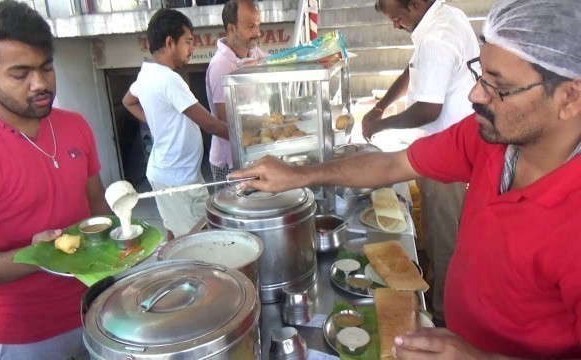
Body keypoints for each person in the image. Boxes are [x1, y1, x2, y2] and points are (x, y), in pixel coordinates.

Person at [232, 0, 581, 358]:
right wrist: (299, 176)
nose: (475, 95)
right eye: (481, 74)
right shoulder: (490, 140)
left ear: (570, 97)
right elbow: (392, 165)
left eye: (500, 86)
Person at [0, 1, 110, 358]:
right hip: (27, 336)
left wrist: (127, 244)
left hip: (98, 308)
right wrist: (39, 256)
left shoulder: (74, 126)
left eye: (46, 68)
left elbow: (97, 208)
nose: (40, 84)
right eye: (20, 74)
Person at [361, 0, 479, 324]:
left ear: (414, 4)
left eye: (397, 18)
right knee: (438, 233)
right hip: (450, 148)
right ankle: (435, 285)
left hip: (448, 158)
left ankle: (444, 318)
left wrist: (380, 125)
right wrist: (379, 107)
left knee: (445, 240)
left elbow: (429, 109)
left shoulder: (436, 38)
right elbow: (413, 70)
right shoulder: (446, 15)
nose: (395, 26)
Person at [122, 9, 229, 239]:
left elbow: (128, 101)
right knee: (199, 241)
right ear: (170, 42)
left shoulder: (147, 74)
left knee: (175, 231)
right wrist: (246, 137)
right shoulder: (169, 79)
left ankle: (173, 269)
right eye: (188, 41)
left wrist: (158, 122)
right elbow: (210, 124)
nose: (193, 48)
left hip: (164, 173)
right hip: (179, 179)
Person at [206, 0, 265, 185]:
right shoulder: (221, 65)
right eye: (250, 26)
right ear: (232, 28)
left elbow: (279, 63)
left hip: (251, 149)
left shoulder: (253, 53)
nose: (257, 32)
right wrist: (265, 121)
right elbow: (226, 121)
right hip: (229, 161)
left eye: (258, 25)